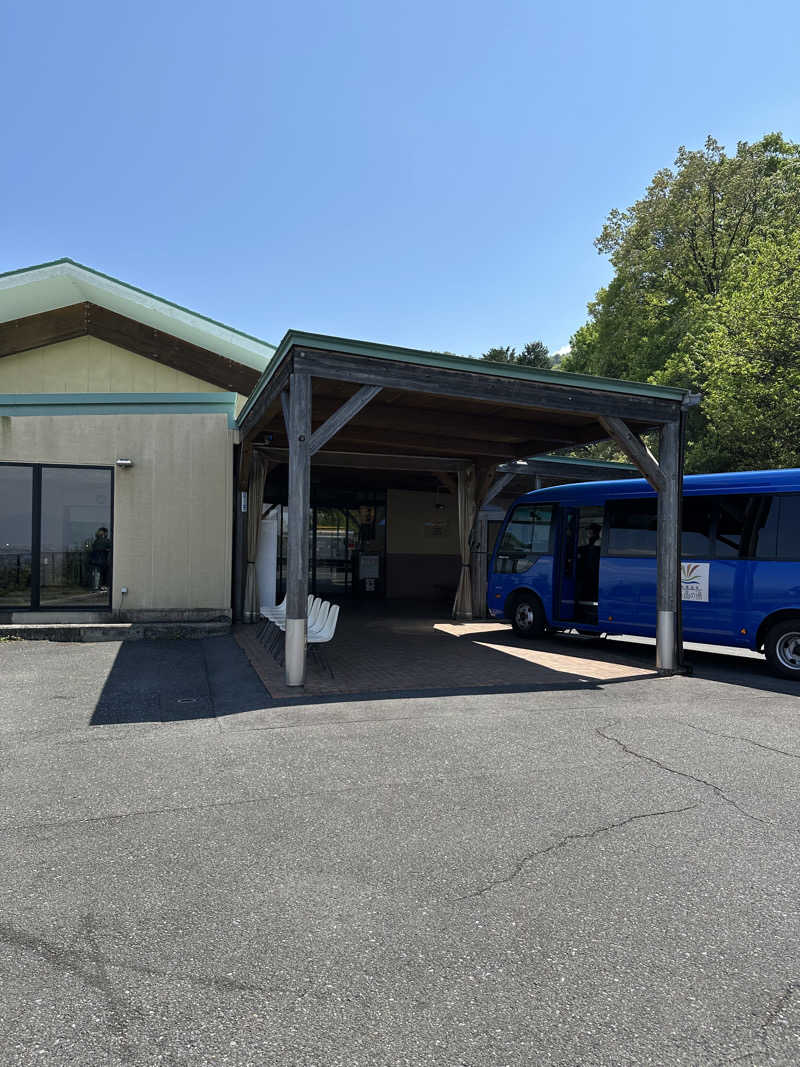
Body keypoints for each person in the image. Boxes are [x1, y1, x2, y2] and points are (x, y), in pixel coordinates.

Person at [89, 527, 111, 591]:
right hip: (103, 560)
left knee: (96, 574)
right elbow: (111, 547)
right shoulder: (106, 541)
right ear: (105, 533)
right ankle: (102, 586)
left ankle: (95, 587)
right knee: (103, 574)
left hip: (95, 560)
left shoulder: (96, 541)